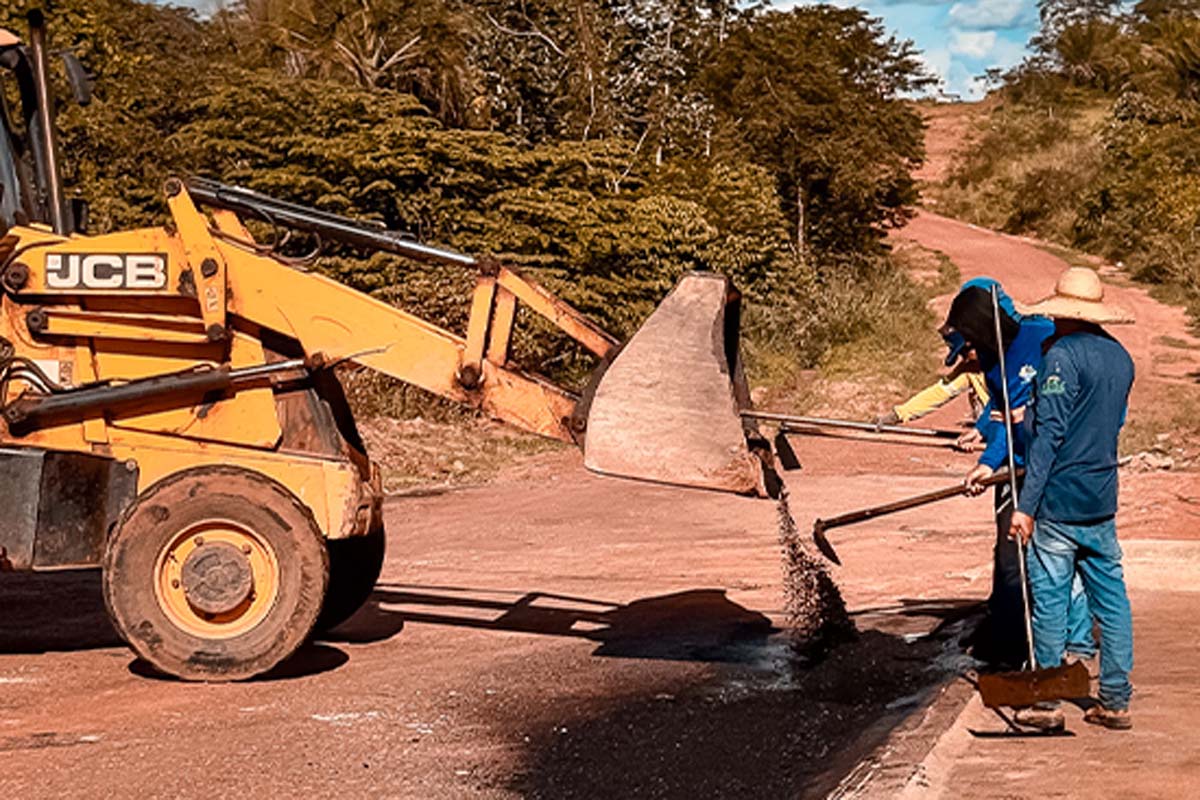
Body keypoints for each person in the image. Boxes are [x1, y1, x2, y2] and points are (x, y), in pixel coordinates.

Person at [940, 277, 1093, 667]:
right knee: (1010, 555)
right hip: (1017, 464)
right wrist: (986, 437)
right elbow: (1001, 410)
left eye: (970, 345)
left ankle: (1073, 649)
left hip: (1053, 466)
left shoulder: (1044, 340)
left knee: (1058, 558)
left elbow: (1025, 414)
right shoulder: (993, 356)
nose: (968, 356)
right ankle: (1010, 637)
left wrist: (988, 461)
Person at [1009, 267, 1136, 731]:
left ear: (1063, 312)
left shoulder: (1061, 357)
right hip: (1101, 498)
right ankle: (1117, 699)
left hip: (1059, 501)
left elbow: (1049, 437)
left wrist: (1025, 506)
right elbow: (1109, 424)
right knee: (1113, 601)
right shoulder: (1121, 358)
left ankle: (1047, 703)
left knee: (1050, 601)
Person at [875, 331, 989, 441]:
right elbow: (940, 392)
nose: (965, 358)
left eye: (964, 353)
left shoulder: (1004, 361)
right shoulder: (969, 369)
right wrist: (898, 415)